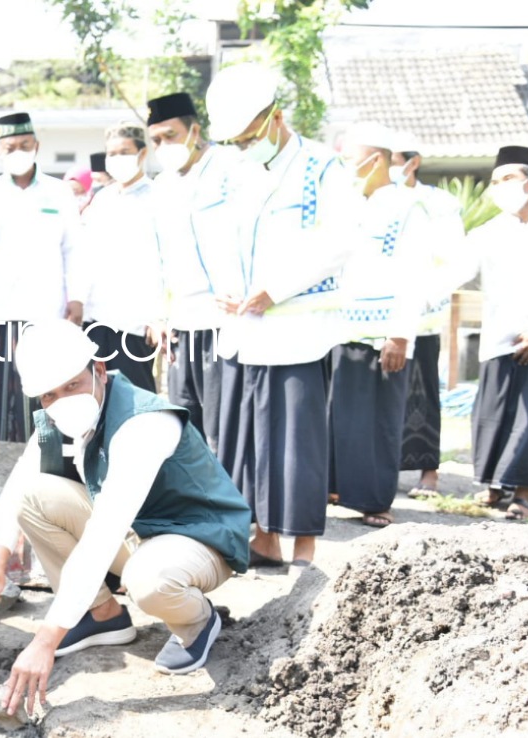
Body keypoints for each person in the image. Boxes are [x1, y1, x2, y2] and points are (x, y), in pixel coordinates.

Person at [0, 320, 250, 716]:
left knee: (148, 580)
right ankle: (103, 615)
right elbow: (16, 488)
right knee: (33, 497)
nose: (62, 400)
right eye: (49, 394)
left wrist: (45, 641)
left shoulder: (142, 422)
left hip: (199, 536)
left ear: (99, 370)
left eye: (72, 385)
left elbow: (103, 535)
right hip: (141, 535)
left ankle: (198, 623)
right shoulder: (57, 420)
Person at [205, 64, 359, 567]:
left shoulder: (322, 166)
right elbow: (217, 234)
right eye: (238, 141)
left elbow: (339, 241)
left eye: (251, 136)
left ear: (276, 117)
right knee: (244, 440)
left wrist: (274, 289)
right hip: (241, 328)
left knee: (295, 444)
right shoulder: (234, 170)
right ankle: (263, 539)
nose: (245, 146)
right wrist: (227, 287)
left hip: (296, 331)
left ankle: (303, 548)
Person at [328, 123, 431, 528]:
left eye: (350, 160)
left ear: (375, 160)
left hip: (383, 333)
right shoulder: (347, 205)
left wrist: (399, 334)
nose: (345, 168)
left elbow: (415, 274)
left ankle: (375, 500)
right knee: (340, 416)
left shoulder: (408, 208)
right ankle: (338, 488)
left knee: (379, 421)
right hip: (339, 328)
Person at [0, 112, 86, 442]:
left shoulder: (59, 193)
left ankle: (47, 459)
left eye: (25, 145)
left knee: (47, 389)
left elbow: (74, 249)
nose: (18, 152)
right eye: (10, 147)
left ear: (37, 147)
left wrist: (77, 298)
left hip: (47, 313)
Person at [147, 92, 241, 452]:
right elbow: (158, 256)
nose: (163, 146)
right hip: (181, 324)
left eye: (170, 135)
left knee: (223, 428)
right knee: (185, 426)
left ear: (195, 130)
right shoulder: (162, 185)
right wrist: (159, 314)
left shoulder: (231, 168)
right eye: (156, 140)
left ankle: (229, 489)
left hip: (225, 320)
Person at [470, 145, 528, 522]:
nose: (499, 188)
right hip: (500, 337)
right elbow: (457, 272)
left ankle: (522, 495)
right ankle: (493, 486)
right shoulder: (488, 232)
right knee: (493, 416)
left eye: (507, 178)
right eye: (494, 182)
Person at [389, 134, 471, 499]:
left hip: (420, 315)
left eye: (392, 160)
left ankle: (428, 472)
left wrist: (425, 299)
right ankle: (375, 471)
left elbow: (455, 261)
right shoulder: (372, 199)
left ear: (413, 162)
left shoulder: (438, 203)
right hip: (374, 318)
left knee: (422, 393)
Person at [80, 122, 161, 393]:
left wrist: (158, 316)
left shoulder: (158, 197)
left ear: (142, 153)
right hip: (96, 318)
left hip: (134, 322)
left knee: (135, 398)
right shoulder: (102, 200)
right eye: (112, 153)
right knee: (95, 397)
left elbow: (166, 261)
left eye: (124, 152)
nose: (117, 159)